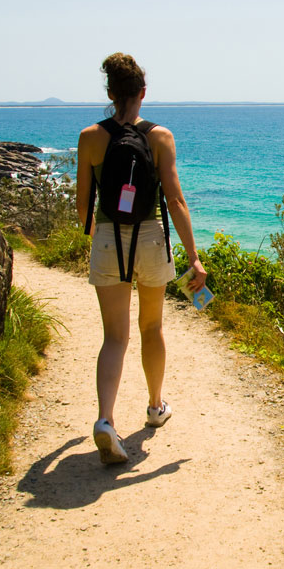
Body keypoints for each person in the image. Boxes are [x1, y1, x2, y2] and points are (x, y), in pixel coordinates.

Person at [76, 52, 207, 464]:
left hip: (109, 239)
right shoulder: (160, 136)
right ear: (142, 93)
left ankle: (104, 421)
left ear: (111, 93)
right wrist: (193, 258)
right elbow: (175, 200)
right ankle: (155, 408)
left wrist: (97, 237)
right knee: (151, 327)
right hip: (151, 239)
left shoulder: (90, 137)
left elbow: (83, 206)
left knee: (114, 337)